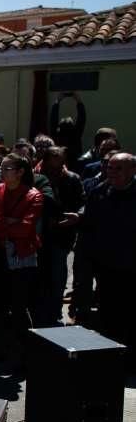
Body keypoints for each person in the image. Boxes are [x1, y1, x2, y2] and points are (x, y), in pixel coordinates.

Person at [0, 154, 43, 366]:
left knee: (19, 306)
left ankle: (25, 353)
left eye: (7, 168)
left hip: (20, 256)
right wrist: (6, 222)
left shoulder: (34, 196)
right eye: (1, 168)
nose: (1, 172)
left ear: (20, 172)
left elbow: (25, 228)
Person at [74, 152, 135, 359]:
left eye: (119, 168)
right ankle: (111, 357)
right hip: (106, 266)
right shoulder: (99, 192)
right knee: (108, 312)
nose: (112, 172)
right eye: (109, 168)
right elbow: (89, 225)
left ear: (132, 170)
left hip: (130, 267)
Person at [35, 147, 84, 327]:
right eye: (52, 167)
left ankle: (55, 313)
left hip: (61, 237)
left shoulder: (72, 179)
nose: (56, 171)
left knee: (57, 276)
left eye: (60, 166)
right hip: (38, 237)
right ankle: (37, 313)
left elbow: (82, 203)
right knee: (38, 277)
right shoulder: (36, 177)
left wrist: (77, 217)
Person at [48, 92, 86, 166]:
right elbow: (82, 119)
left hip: (58, 161)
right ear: (72, 126)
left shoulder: (56, 134)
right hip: (74, 162)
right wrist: (79, 101)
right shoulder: (76, 134)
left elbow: (53, 120)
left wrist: (57, 101)